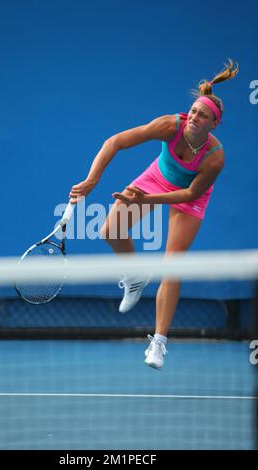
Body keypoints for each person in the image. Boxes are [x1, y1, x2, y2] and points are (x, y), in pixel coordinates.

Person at [69, 59, 239, 370]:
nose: (194, 118)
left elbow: (189, 194)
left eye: (203, 116)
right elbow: (115, 142)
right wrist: (92, 180)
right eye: (193, 112)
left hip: (190, 197)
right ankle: (135, 276)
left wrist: (149, 199)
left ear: (213, 125)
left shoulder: (215, 158)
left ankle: (158, 342)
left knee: (172, 265)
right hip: (157, 177)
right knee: (110, 230)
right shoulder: (170, 125)